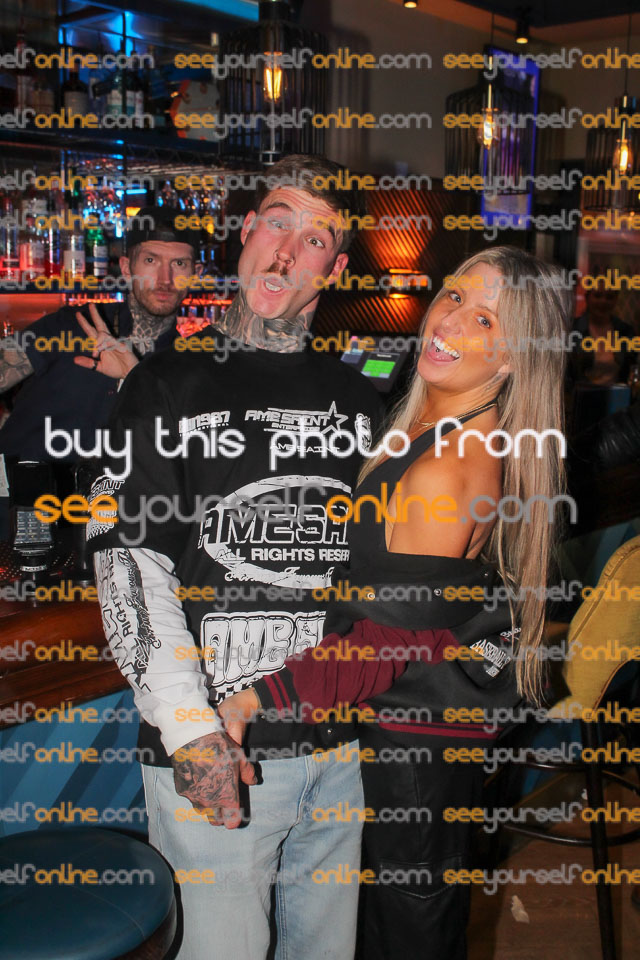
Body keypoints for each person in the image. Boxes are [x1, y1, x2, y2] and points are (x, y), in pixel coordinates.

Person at [219, 246, 570, 960]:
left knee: (408, 926)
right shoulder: (431, 429)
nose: (451, 322)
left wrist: (256, 697)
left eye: (487, 319)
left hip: (418, 738)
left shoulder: (448, 466)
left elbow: (395, 639)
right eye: (455, 296)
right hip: (412, 724)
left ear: (514, 357)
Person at [87, 155, 382, 960]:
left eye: (315, 238)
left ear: (336, 269)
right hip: (221, 742)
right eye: (277, 222)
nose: (287, 250)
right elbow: (127, 562)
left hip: (339, 747)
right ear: (247, 233)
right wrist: (191, 731)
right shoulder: (163, 385)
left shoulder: (363, 400)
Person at [0, 206, 199, 464]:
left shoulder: (187, 366)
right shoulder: (72, 324)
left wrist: (137, 380)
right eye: (151, 260)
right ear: (126, 268)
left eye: (179, 264)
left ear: (195, 274)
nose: (165, 279)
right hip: (14, 486)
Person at [567, 281, 637, 387]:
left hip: (619, 394)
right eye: (597, 295)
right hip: (581, 394)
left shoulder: (625, 331)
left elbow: (633, 368)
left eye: (609, 297)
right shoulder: (573, 330)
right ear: (587, 297)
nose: (603, 301)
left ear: (616, 300)